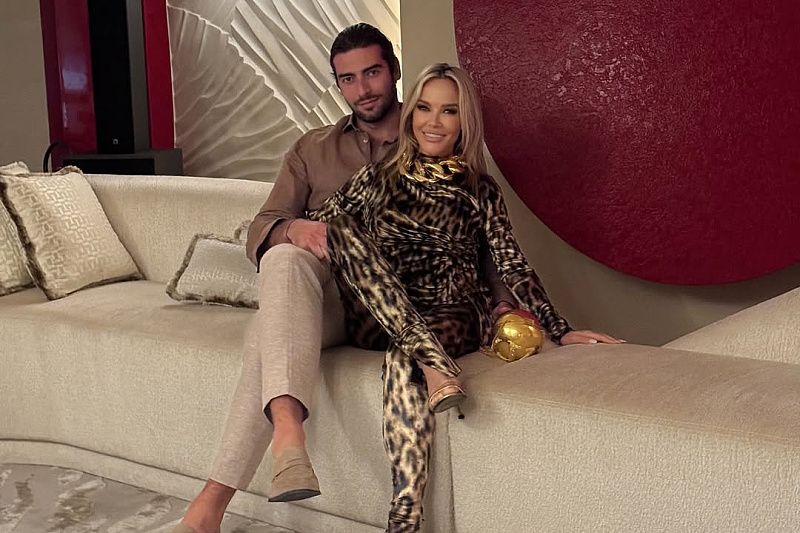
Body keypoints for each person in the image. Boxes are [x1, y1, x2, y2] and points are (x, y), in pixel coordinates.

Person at [170, 24, 519, 533]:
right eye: (348, 79)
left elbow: (481, 243)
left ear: (394, 71)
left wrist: (507, 306)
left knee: (267, 337)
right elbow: (263, 227)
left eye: (372, 73)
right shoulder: (312, 150)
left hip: (402, 306)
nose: (363, 89)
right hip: (331, 302)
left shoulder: (430, 135)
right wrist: (295, 228)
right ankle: (288, 439)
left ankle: (212, 504)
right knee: (284, 258)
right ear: (337, 84)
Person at [308, 62, 621, 532]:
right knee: (337, 228)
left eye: (449, 111)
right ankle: (434, 363)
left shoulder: (479, 189)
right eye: (424, 108)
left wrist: (561, 329)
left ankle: (404, 521)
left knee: (403, 358)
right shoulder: (374, 178)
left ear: (464, 122)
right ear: (411, 115)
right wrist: (269, 242)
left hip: (453, 312)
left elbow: (511, 262)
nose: (433, 122)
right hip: (380, 314)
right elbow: (315, 225)